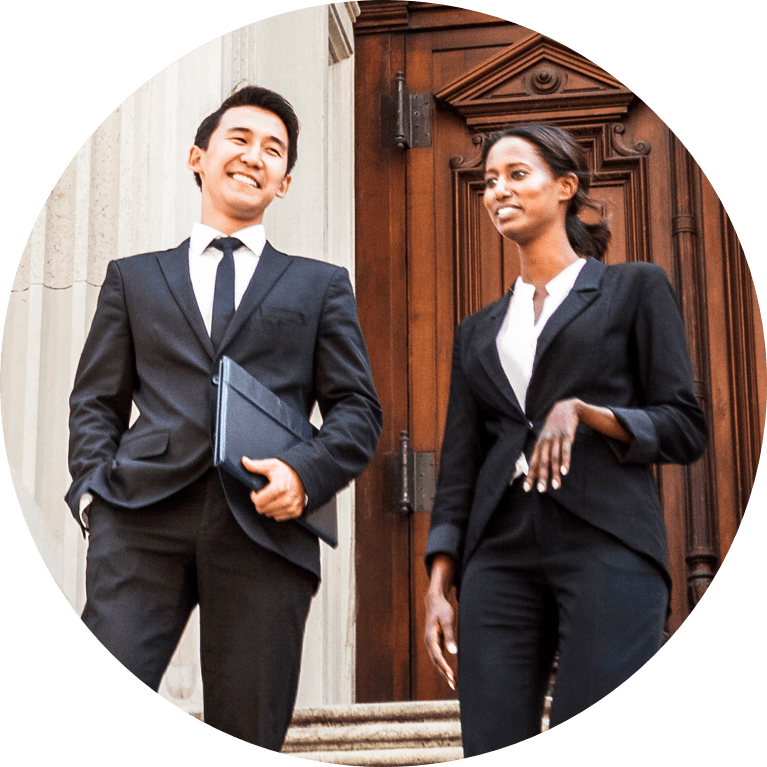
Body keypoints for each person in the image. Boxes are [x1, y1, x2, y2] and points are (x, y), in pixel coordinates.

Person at [66, 85, 382, 751]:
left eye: (273, 150)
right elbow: (96, 399)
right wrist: (95, 489)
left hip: (267, 529)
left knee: (247, 734)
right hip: (140, 519)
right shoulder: (134, 278)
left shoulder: (320, 284)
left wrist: (305, 472)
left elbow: (358, 411)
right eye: (238, 138)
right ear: (198, 157)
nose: (254, 156)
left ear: (285, 182)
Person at [423, 124, 707, 756]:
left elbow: (685, 426)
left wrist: (586, 411)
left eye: (516, 175)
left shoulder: (633, 289)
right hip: (497, 553)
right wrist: (439, 580)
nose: (497, 191)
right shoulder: (477, 333)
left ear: (565, 187)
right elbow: (460, 466)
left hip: (606, 540)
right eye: (488, 181)